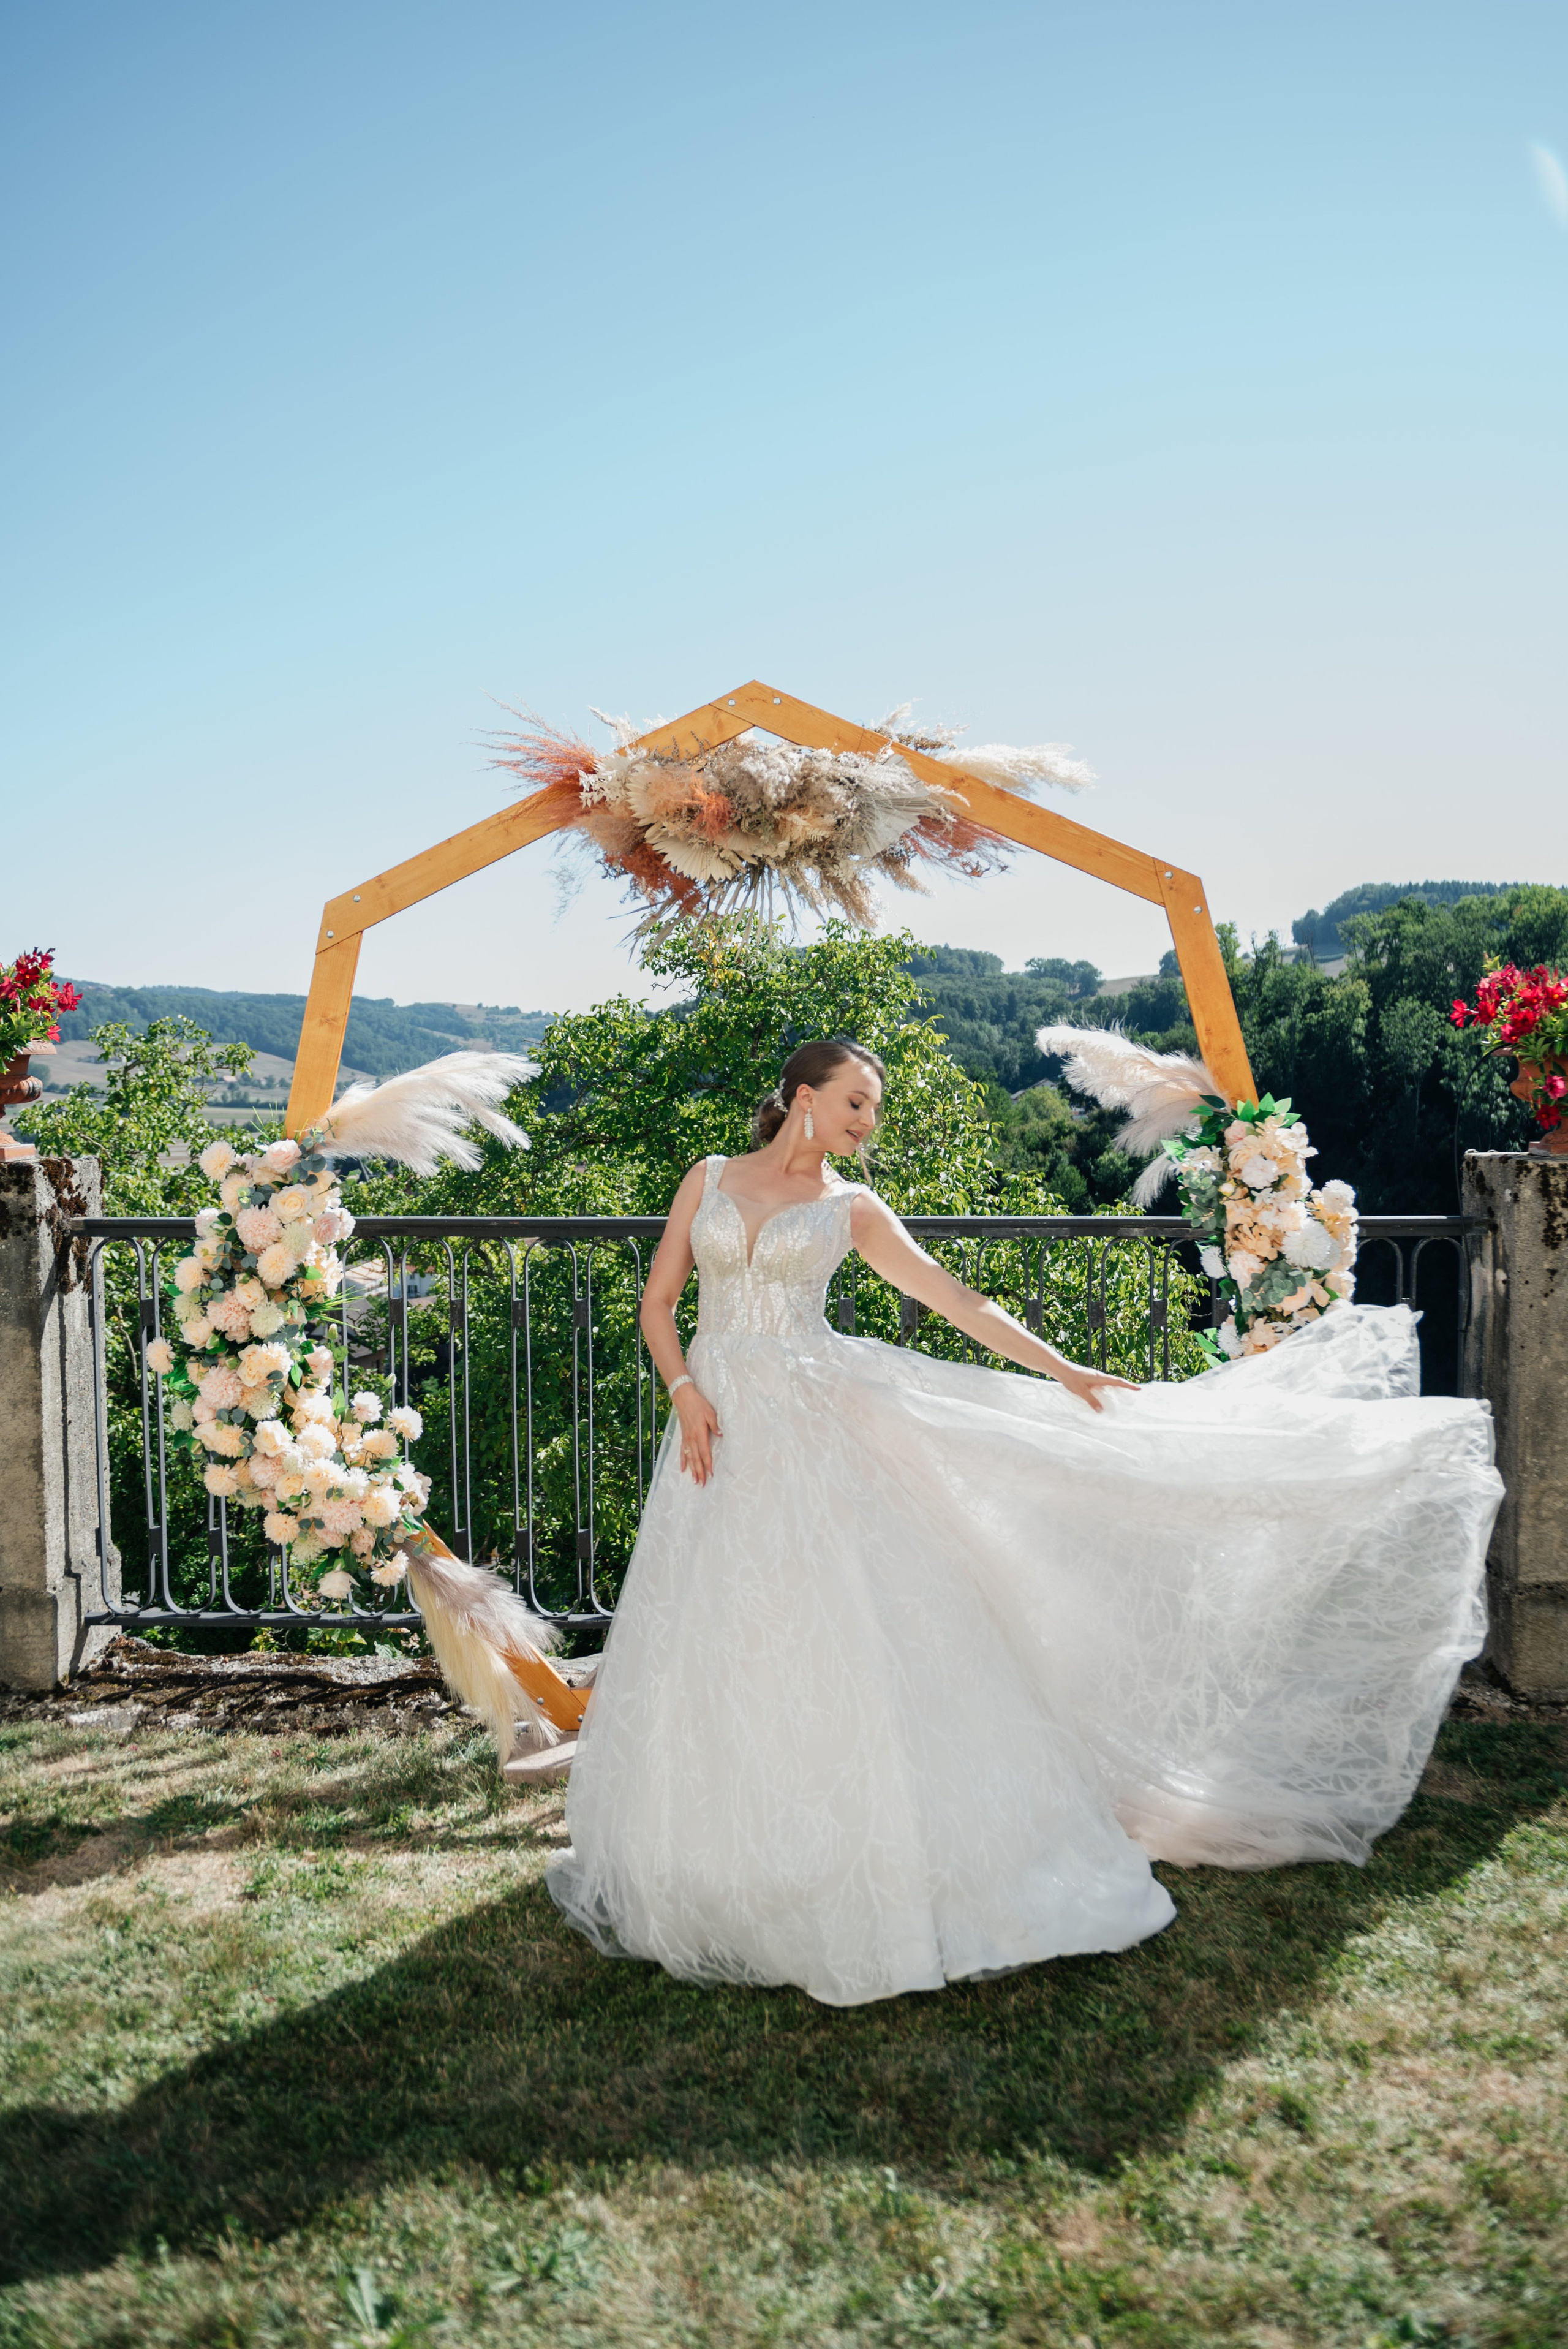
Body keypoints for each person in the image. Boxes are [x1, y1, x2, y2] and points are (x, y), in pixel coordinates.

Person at [546, 1039, 1501, 2008]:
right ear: (801, 1097)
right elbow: (660, 1302)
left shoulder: (853, 1208)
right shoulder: (706, 1178)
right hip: (715, 1431)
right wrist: (683, 1390)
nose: (866, 1122)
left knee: (827, 1632)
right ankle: (710, 1858)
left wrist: (1067, 1371)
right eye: (854, 1103)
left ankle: (847, 1855)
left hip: (812, 1429)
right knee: (718, 1631)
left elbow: (955, 1299)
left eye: (873, 1109)